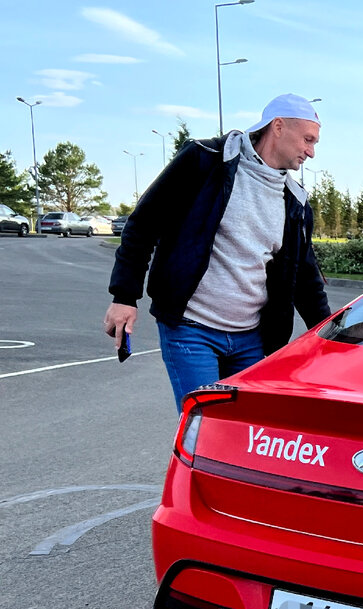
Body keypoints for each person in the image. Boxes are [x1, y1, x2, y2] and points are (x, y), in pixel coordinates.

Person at [103, 93, 331, 412]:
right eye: (308, 140)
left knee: (243, 434)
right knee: (205, 427)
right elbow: (144, 223)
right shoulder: (206, 160)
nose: (311, 151)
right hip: (191, 330)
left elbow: (305, 278)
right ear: (278, 127)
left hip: (252, 340)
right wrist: (124, 297)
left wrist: (330, 333)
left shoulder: (295, 202)